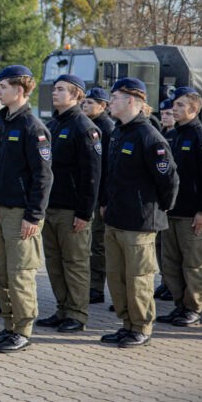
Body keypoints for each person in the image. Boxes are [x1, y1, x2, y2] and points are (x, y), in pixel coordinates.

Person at [99, 78, 179, 347]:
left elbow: (169, 179)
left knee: (138, 279)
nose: (110, 102)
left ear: (131, 101)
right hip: (116, 218)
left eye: (114, 98)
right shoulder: (119, 132)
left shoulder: (149, 136)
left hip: (139, 222)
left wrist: (161, 207)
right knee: (117, 277)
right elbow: (111, 174)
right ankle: (127, 324)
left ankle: (141, 327)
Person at [0, 65, 53, 353]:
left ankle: (23, 329)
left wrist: (33, 215)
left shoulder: (33, 128)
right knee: (0, 273)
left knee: (20, 274)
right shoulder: (0, 124)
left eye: (3, 87)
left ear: (19, 90)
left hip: (21, 213)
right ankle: (8, 325)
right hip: (0, 211)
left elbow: (43, 176)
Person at [38, 74, 101, 333]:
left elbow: (92, 174)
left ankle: (77, 313)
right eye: (54, 88)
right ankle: (62, 309)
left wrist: (84, 212)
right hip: (51, 207)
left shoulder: (84, 127)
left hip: (72, 210)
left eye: (61, 89)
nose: (54, 93)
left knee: (74, 263)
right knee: (54, 263)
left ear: (76, 95)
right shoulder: (52, 125)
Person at [155, 87, 202, 327]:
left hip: (192, 215)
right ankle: (180, 306)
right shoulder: (173, 135)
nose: (174, 108)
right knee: (171, 263)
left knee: (193, 264)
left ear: (193, 108)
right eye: (174, 104)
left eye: (180, 105)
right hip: (171, 212)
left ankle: (193, 308)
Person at [81, 87, 116, 304]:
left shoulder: (107, 128)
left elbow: (108, 168)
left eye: (89, 103)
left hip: (100, 195)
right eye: (84, 102)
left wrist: (104, 199)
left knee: (98, 244)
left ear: (102, 106)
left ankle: (96, 287)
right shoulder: (89, 125)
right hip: (90, 193)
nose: (84, 105)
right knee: (90, 243)